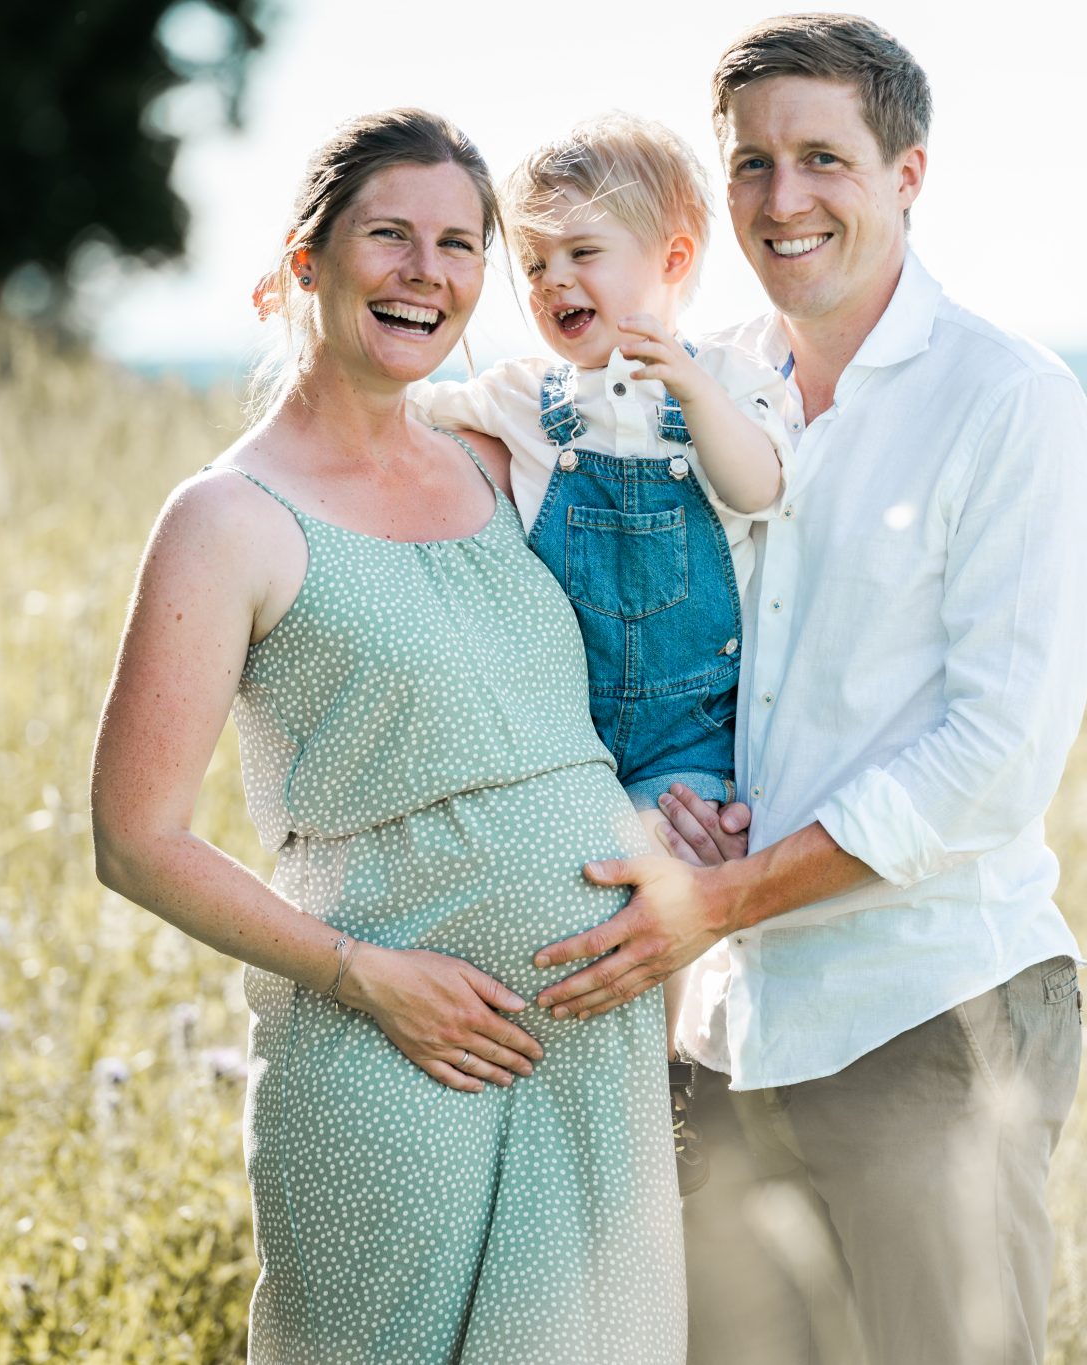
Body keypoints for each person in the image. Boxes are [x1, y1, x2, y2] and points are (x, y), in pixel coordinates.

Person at [526, 16, 1087, 1365]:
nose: (782, 198)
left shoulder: (1008, 401)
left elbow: (994, 756)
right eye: (751, 163)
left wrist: (728, 894)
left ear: (907, 175)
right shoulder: (694, 378)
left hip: (930, 1012)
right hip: (729, 1028)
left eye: (822, 159)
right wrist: (674, 806)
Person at [89, 108, 684, 1364]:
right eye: (390, 236)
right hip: (392, 1054)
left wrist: (685, 822)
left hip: (599, 1052)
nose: (427, 272)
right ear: (306, 261)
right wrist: (364, 977)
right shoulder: (227, 517)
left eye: (460, 245)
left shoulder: (501, 461)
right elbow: (135, 840)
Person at [412, 112, 794, 1193]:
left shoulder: (731, 381)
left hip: (686, 738)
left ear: (672, 259)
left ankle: (657, 1099)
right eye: (535, 263)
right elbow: (410, 410)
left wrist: (691, 390)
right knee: (558, 899)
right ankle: (540, 1105)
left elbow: (760, 484)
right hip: (565, 732)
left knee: (653, 892)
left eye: (583, 252)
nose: (553, 282)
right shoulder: (526, 399)